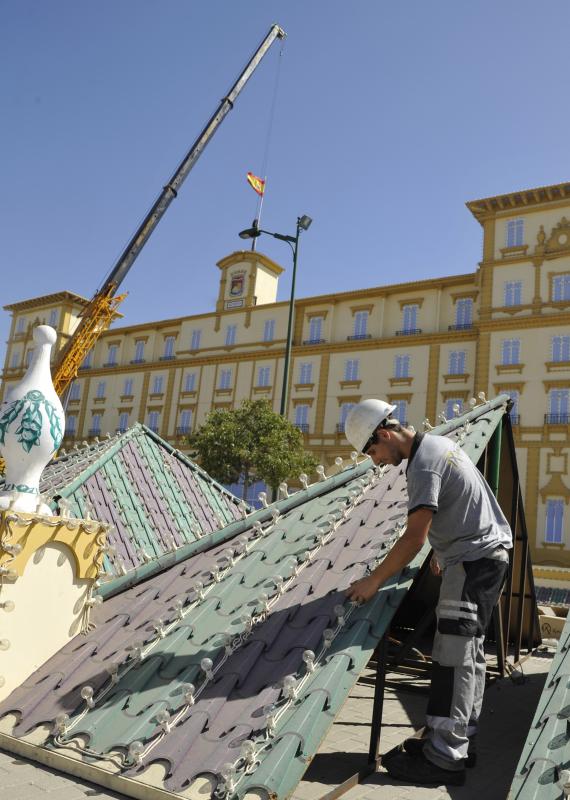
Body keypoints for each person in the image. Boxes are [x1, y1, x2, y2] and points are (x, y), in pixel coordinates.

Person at [344, 398, 511, 787]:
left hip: (473, 562)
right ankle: (457, 743)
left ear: (385, 434)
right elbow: (462, 500)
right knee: (467, 656)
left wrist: (373, 581)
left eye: (373, 451)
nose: (376, 461)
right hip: (482, 557)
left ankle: (443, 759)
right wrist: (442, 547)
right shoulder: (437, 446)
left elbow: (412, 538)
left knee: (452, 657)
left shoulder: (422, 465)